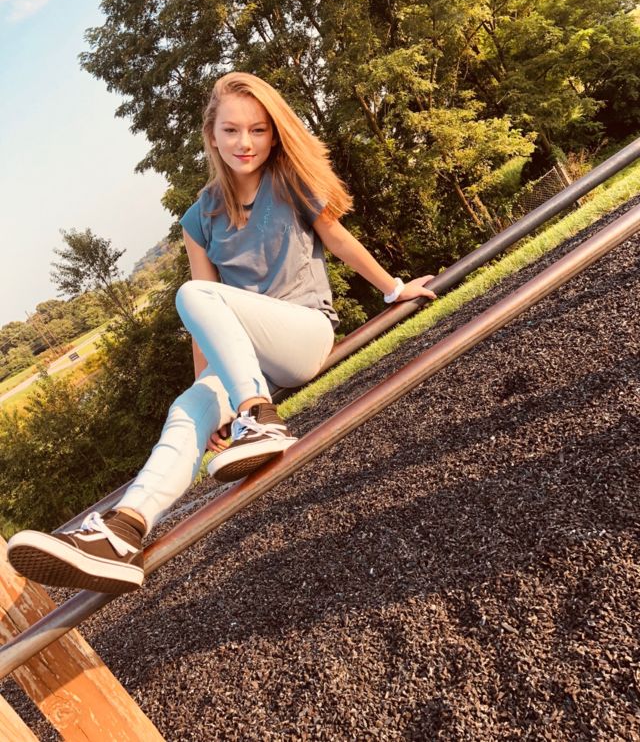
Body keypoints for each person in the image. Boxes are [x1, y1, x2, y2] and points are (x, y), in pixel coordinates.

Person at [7, 72, 436, 594]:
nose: (244, 142)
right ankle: (123, 532)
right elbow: (205, 327)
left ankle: (259, 417)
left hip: (303, 333)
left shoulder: (290, 182)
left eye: (257, 130)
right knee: (187, 407)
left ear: (273, 135)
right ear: (212, 135)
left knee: (192, 295)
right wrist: (213, 398)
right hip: (247, 363)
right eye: (231, 130)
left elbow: (338, 239)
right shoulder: (200, 217)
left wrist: (394, 289)